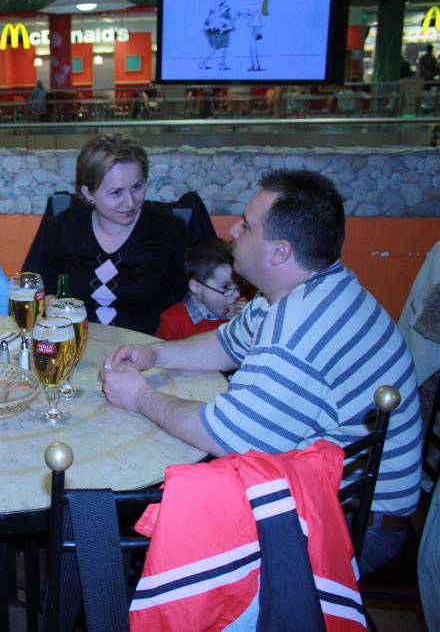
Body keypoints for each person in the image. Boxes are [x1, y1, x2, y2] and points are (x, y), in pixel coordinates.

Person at [101, 169, 423, 572]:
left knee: (171, 522)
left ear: (280, 251)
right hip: (338, 497)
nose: (233, 231)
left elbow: (226, 436)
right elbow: (227, 343)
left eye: (247, 225)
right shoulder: (306, 288)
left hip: (350, 523)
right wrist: (155, 355)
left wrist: (139, 396)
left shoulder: (299, 327)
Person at [23, 135, 188, 335]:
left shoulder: (169, 230)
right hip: (75, 344)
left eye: (137, 187)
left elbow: (188, 299)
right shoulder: (65, 226)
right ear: (88, 193)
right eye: (116, 192)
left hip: (146, 347)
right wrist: (49, 303)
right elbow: (32, 286)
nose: (130, 202)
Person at [155, 238, 242, 341]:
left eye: (239, 284)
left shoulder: (239, 316)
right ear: (196, 287)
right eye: (225, 287)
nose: (237, 294)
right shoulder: (172, 322)